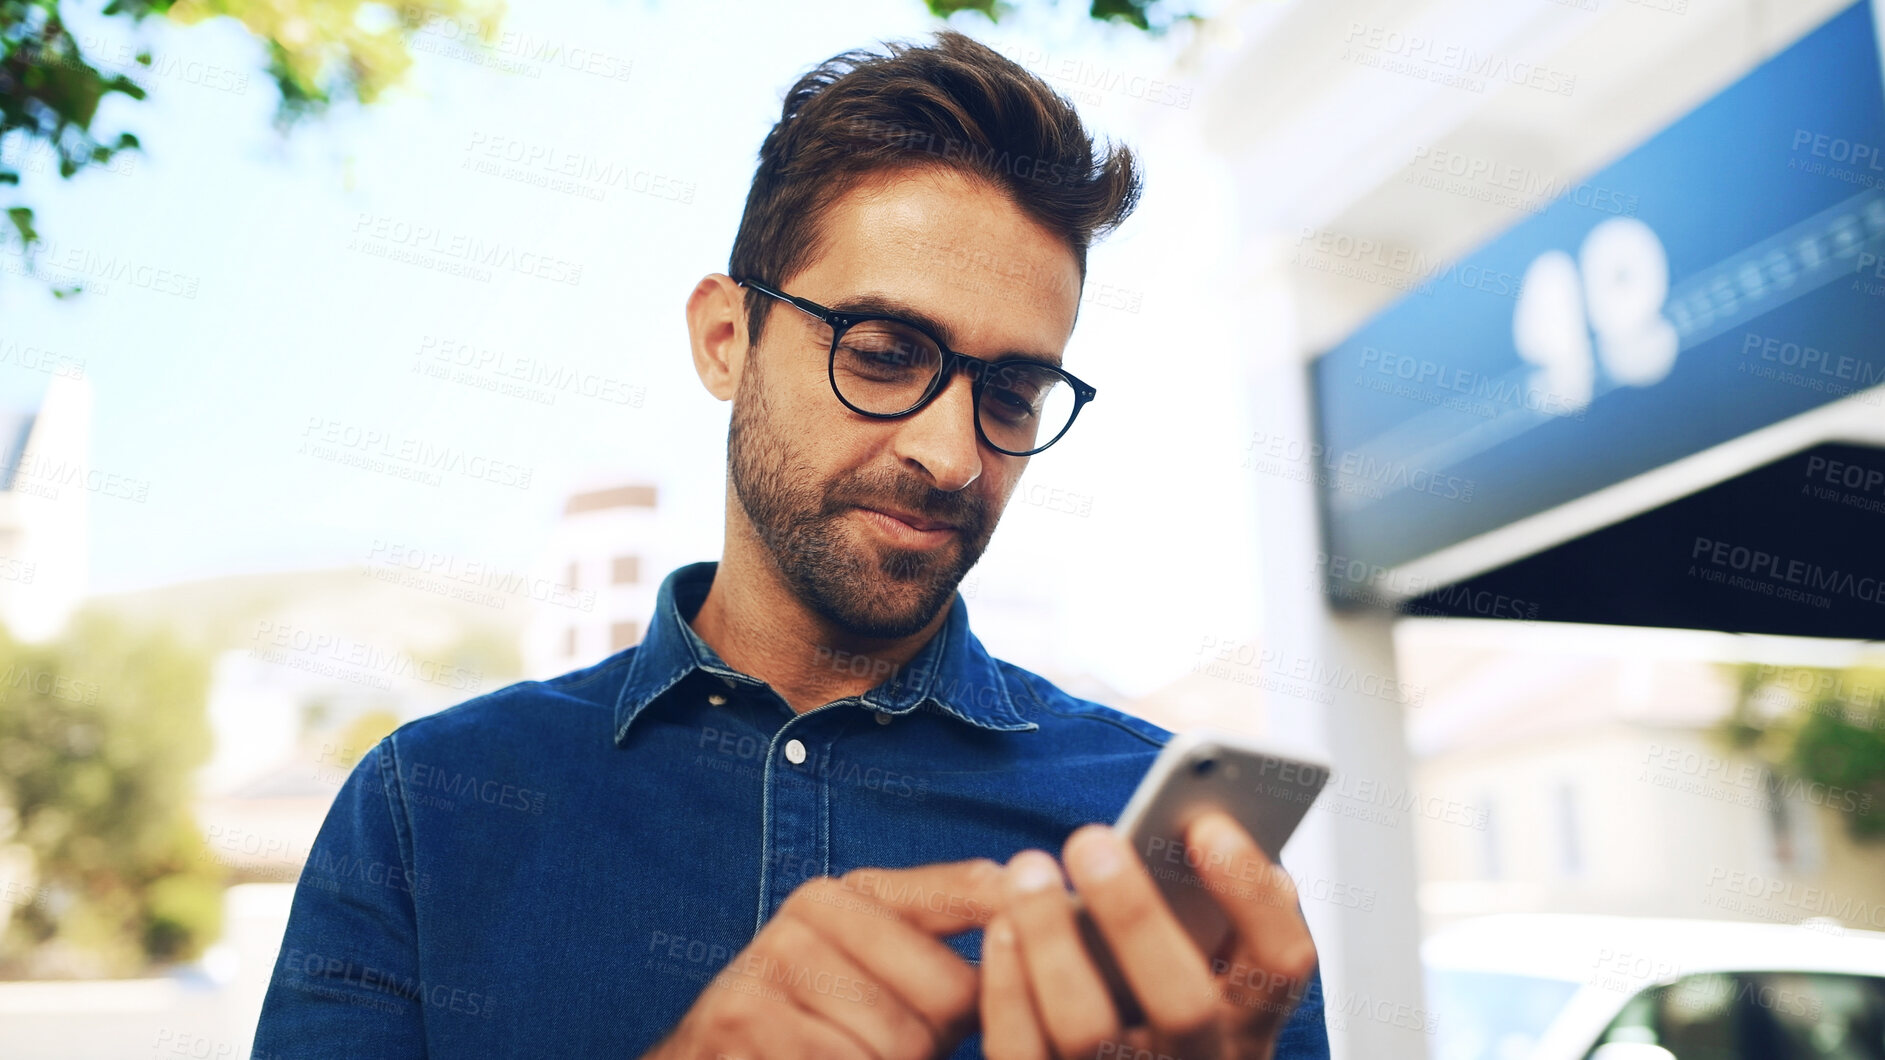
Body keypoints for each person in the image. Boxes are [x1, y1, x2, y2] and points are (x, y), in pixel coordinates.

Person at [252, 27, 1329, 1060]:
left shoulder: (1169, 865)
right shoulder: (428, 809)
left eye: (1011, 390)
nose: (952, 453)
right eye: (883, 351)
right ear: (726, 339)